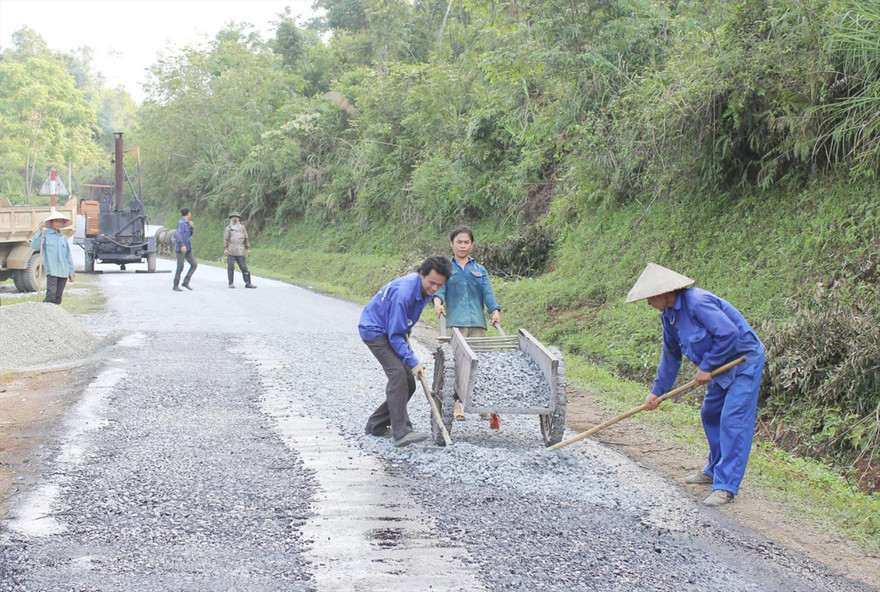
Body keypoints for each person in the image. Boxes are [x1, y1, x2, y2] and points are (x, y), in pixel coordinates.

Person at [626, 262, 765, 507]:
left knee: (733, 419)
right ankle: (713, 468)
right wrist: (657, 391)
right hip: (719, 368)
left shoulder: (698, 303)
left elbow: (728, 334)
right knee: (710, 413)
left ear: (664, 292)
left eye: (650, 298)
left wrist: (707, 364)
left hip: (743, 363)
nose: (648, 303)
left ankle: (725, 486)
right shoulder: (668, 317)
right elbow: (671, 356)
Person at [359, 256, 453, 447]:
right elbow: (395, 336)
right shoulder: (404, 292)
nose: (434, 288)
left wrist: (406, 334)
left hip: (392, 329)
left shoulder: (424, 289)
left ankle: (375, 425)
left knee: (409, 383)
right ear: (421, 274)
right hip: (375, 330)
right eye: (431, 283)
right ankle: (402, 432)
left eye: (439, 285)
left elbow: (402, 327)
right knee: (398, 375)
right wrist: (413, 361)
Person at [432, 226, 502, 420]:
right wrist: (437, 304)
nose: (463, 245)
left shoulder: (480, 270)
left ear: (472, 245)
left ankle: (481, 405)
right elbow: (439, 291)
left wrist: (494, 311)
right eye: (459, 242)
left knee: (479, 363)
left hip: (478, 324)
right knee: (454, 364)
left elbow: (488, 293)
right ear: (452, 244)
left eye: (466, 242)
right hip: (455, 324)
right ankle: (455, 405)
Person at [30, 211, 75, 305]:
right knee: (51, 295)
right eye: (56, 221)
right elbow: (35, 245)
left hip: (63, 270)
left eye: (60, 222)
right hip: (52, 270)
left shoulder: (63, 237)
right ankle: (45, 312)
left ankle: (55, 316)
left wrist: (71, 272)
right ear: (51, 223)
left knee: (58, 297)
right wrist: (39, 231)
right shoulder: (45, 235)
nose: (58, 224)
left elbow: (68, 256)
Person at [223, 211, 255, 289]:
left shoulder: (242, 228)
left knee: (244, 267)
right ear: (231, 218)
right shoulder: (228, 228)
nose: (235, 218)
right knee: (230, 267)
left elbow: (246, 238)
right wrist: (225, 248)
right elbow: (226, 239)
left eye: (236, 217)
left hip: (240, 250)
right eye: (233, 217)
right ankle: (231, 283)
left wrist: (247, 248)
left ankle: (248, 283)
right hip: (231, 250)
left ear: (239, 218)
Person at [172, 208, 197, 291]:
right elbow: (178, 234)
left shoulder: (187, 223)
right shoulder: (181, 223)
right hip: (181, 248)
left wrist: (192, 227)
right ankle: (175, 285)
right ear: (188, 213)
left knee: (194, 264)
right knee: (180, 266)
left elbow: (189, 235)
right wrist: (182, 245)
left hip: (188, 248)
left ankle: (186, 282)